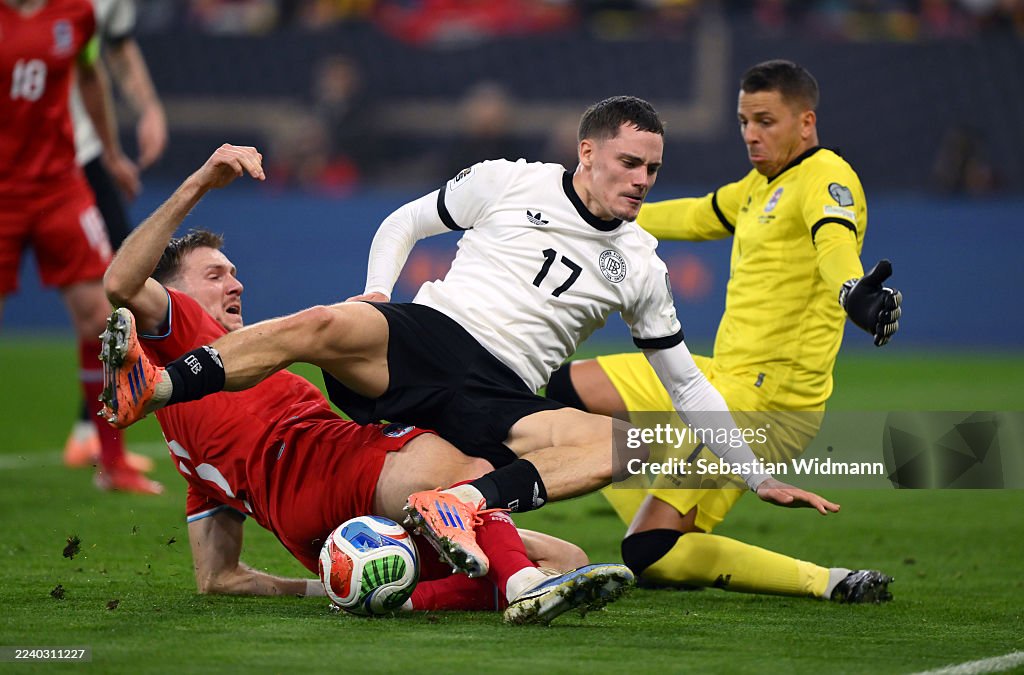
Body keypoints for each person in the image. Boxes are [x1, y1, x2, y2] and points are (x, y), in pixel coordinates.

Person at [99, 97, 841, 581]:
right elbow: (406, 223)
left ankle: (459, 502)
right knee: (323, 322)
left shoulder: (642, 265)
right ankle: (157, 383)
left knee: (625, 446)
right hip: (430, 335)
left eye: (652, 168)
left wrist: (752, 474)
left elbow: (684, 383)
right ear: (587, 154)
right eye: (628, 162)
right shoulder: (510, 181)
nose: (642, 179)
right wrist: (381, 291)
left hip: (500, 394)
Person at [100, 143, 635, 625]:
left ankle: (406, 596)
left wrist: (327, 587)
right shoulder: (187, 325)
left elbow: (217, 578)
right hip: (332, 464)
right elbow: (121, 282)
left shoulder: (191, 462)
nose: (236, 282)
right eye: (215, 274)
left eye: (234, 271)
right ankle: (525, 585)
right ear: (172, 293)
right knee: (466, 474)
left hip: (325, 534)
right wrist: (198, 184)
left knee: (568, 560)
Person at [545, 61, 901, 603]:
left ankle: (828, 582)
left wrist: (852, 289)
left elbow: (834, 242)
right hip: (721, 377)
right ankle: (657, 476)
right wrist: (598, 212)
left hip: (769, 403)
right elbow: (693, 216)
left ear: (805, 122)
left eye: (766, 120)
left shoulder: (826, 178)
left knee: (650, 553)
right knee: (566, 389)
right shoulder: (760, 186)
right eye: (743, 121)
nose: (752, 135)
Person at [0, 0, 159, 494]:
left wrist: (110, 154)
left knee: (99, 315)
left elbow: (90, 76)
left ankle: (109, 461)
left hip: (57, 187)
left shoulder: (78, 13)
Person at [63, 0, 168, 472]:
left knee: (117, 288)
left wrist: (147, 109)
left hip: (75, 154)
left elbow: (113, 53)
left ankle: (97, 436)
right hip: (23, 159)